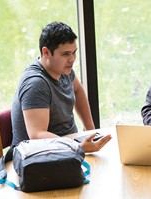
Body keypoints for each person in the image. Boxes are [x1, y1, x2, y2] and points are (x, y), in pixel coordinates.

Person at [11, 21, 111, 153]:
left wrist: (91, 130)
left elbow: (78, 90)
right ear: (46, 52)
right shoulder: (35, 84)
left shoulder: (63, 70)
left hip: (67, 149)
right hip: (39, 157)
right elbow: (37, 134)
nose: (72, 59)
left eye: (74, 52)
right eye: (65, 54)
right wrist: (77, 147)